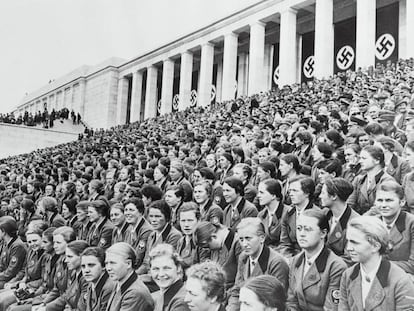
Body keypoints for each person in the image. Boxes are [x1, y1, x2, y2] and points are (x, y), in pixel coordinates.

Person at [339, 216, 414, 310]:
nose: (349, 248)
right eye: (348, 241)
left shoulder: (400, 281)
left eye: (355, 243)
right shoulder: (348, 275)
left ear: (375, 246)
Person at [287, 209, 347, 311]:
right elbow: (291, 301)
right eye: (299, 228)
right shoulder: (295, 261)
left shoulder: (336, 267)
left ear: (323, 233)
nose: (302, 234)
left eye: (308, 229)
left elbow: (331, 308)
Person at [228, 218, 289, 311]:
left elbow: (278, 301)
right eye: (241, 239)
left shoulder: (276, 263)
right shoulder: (243, 257)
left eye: (248, 238)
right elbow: (237, 290)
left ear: (262, 238)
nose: (244, 244)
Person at [371, 181, 414, 275]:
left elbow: (412, 265)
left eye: (389, 200)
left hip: (404, 279)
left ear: (402, 202)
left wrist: (376, 265)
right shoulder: (371, 224)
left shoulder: (411, 224)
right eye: (379, 200)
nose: (383, 205)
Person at [137, 200, 182, 275]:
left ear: (166, 217)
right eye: (151, 216)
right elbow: (146, 263)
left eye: (158, 216)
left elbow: (167, 265)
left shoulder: (174, 235)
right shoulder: (152, 235)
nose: (153, 220)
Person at [105, 242, 154, 311]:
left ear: (128, 264)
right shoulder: (120, 283)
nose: (108, 268)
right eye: (106, 263)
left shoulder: (135, 293)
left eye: (113, 263)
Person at [320, 178, 358, 263]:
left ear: (334, 196)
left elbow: (349, 259)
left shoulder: (355, 223)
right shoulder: (325, 214)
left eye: (323, 193)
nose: (320, 196)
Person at [348, 146, 395, 215]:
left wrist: (362, 219)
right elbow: (350, 202)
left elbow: (380, 206)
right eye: (360, 158)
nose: (360, 161)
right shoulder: (359, 180)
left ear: (377, 160)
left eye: (364, 158)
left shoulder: (387, 181)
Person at [280, 177, 318, 258]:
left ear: (307, 193)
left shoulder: (317, 214)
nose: (290, 194)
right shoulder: (288, 214)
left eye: (295, 191)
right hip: (291, 257)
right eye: (290, 191)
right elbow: (285, 243)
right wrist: (288, 259)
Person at [46, 240, 89, 311]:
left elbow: (82, 308)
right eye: (66, 256)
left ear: (82, 257)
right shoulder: (73, 273)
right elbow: (67, 296)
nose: (66, 260)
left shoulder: (86, 279)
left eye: (70, 257)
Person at [149, 244, 190, 311]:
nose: (161, 274)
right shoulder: (159, 296)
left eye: (166, 268)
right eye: (156, 269)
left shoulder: (182, 301)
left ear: (178, 268)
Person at [81, 247, 115, 311]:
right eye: (83, 266)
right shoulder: (91, 285)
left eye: (91, 265)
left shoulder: (109, 287)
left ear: (103, 266)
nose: (86, 270)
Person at [124, 197, 153, 267]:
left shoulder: (146, 230)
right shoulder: (129, 228)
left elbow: (139, 257)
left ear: (140, 212)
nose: (127, 213)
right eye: (126, 210)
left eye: (131, 210)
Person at [0, 216, 27, 289]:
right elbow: (2, 265)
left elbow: (11, 272)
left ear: (4, 231)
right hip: (4, 277)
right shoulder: (6, 243)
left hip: (12, 280)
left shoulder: (17, 246)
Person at [257, 179, 285, 248]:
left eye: (261, 193)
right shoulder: (261, 215)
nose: (258, 195)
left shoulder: (288, 213)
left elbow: (287, 244)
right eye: (258, 192)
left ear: (273, 196)